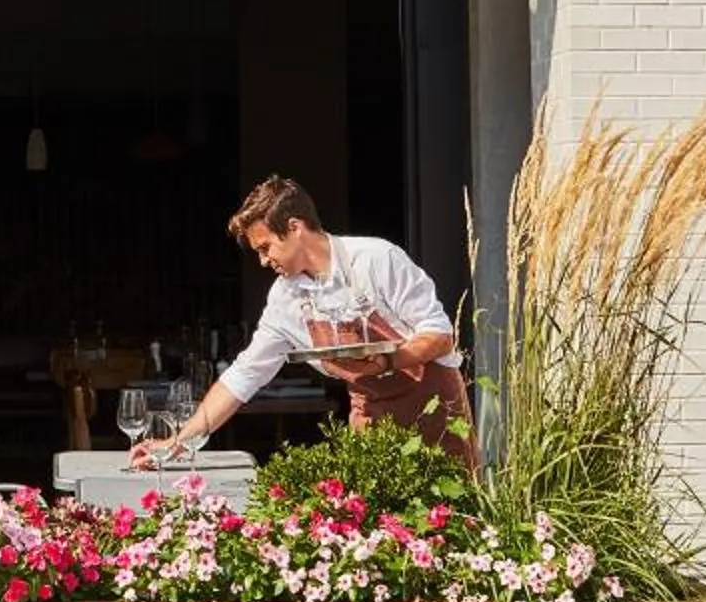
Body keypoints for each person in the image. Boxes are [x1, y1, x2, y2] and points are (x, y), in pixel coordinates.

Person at [131, 174, 475, 474]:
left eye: (266, 248)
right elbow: (243, 376)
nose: (264, 261)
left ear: (294, 228)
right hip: (371, 420)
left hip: (435, 411)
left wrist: (386, 360)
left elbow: (440, 336)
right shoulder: (286, 299)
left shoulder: (375, 259)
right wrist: (177, 443)